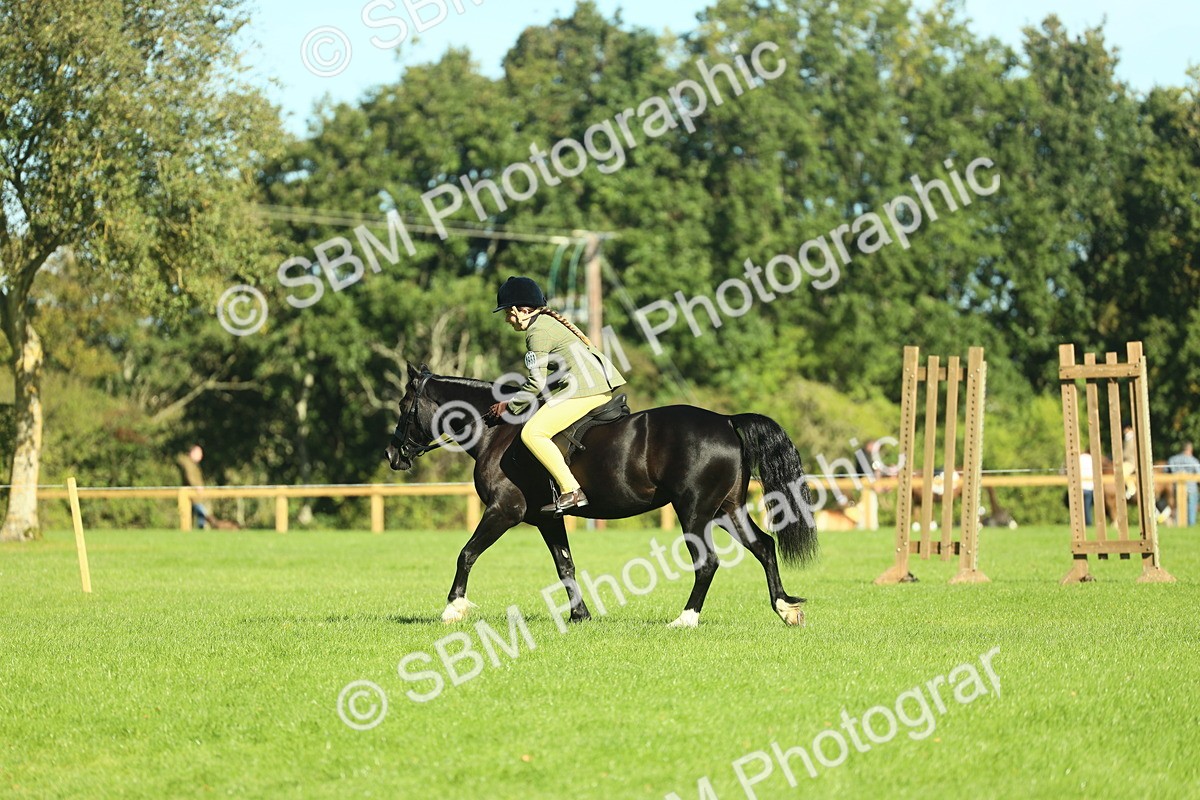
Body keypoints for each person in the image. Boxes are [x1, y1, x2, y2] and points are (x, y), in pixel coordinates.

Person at [489, 276, 626, 514]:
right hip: (595, 386)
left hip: (586, 391)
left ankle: (571, 490)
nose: (506, 320)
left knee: (533, 433)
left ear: (520, 311)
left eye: (507, 313)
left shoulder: (537, 332)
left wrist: (511, 406)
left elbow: (535, 383)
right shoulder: (548, 323)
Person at [176, 444, 212, 529]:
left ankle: (196, 530)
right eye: (199, 453)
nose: (201, 456)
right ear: (192, 453)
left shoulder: (192, 464)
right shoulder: (188, 464)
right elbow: (190, 476)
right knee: (201, 513)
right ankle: (200, 530)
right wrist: (197, 487)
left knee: (194, 513)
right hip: (193, 494)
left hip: (194, 494)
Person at [1167, 442, 1200, 526]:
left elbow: (1166, 471)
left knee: (1178, 509)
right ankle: (1190, 525)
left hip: (1176, 488)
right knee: (1191, 510)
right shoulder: (1193, 460)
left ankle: (1178, 525)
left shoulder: (1173, 459)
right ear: (1190, 449)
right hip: (1191, 489)